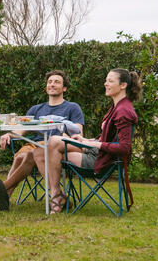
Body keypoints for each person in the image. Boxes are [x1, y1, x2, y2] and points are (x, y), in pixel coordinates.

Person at [0, 70, 84, 211]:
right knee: (21, 156)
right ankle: (4, 196)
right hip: (34, 144)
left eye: (57, 82)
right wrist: (9, 135)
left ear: (64, 88)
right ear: (46, 87)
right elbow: (21, 130)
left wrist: (66, 135)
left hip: (54, 146)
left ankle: (1, 190)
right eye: (50, 82)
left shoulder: (72, 107)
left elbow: (78, 131)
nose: (52, 84)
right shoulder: (36, 109)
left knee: (29, 155)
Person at [45, 68, 140, 213]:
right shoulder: (117, 107)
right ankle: (57, 195)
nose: (105, 84)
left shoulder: (123, 110)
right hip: (99, 152)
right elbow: (108, 138)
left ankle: (56, 197)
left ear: (123, 85)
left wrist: (93, 143)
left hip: (103, 160)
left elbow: (124, 147)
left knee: (53, 150)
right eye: (106, 80)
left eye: (110, 81)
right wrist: (85, 139)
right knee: (55, 142)